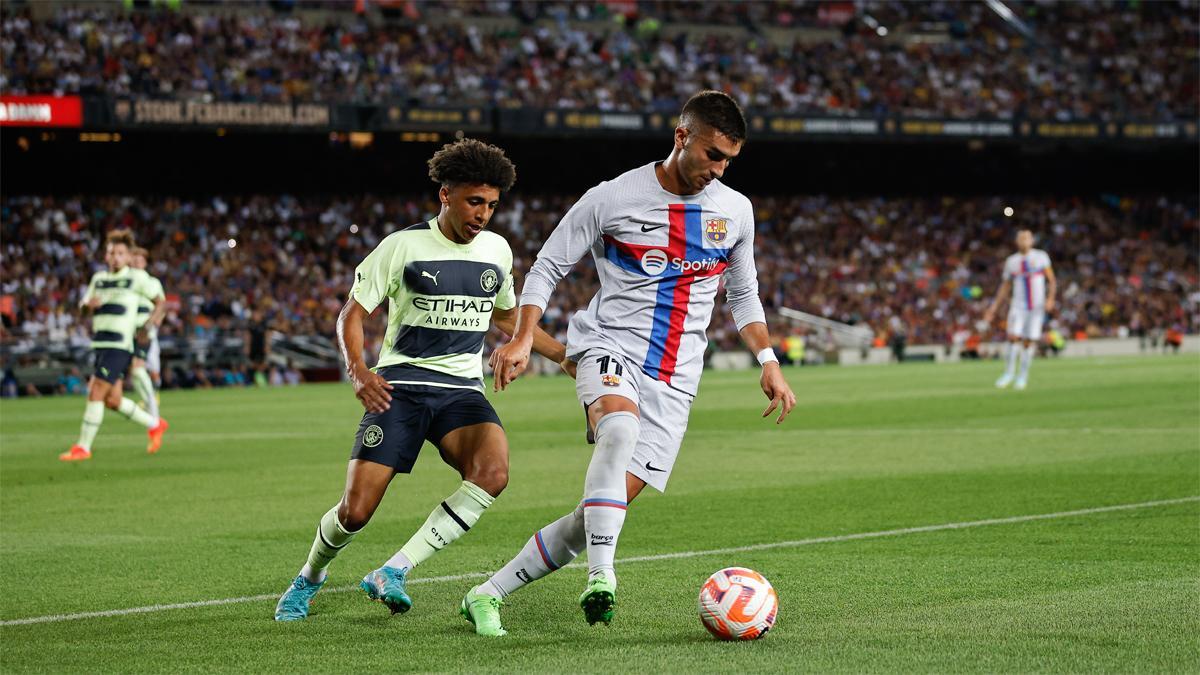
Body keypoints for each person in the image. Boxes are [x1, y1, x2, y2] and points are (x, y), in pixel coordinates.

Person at [475, 91, 797, 635]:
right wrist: (526, 337)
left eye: (728, 161)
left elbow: (743, 295)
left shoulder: (734, 211)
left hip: (676, 380)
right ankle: (603, 577)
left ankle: (487, 594)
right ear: (682, 138)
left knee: (594, 517)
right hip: (609, 345)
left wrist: (768, 359)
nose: (717, 170)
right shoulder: (613, 197)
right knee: (618, 427)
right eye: (712, 155)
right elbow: (548, 265)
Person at [274, 139, 569, 622]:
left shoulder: (497, 250)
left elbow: (508, 316)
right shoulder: (403, 246)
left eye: (492, 205)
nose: (484, 215)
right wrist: (358, 370)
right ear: (446, 195)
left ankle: (393, 569)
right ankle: (309, 577)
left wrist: (560, 355)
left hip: (460, 393)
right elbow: (352, 313)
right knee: (356, 511)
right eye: (475, 202)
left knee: (492, 473)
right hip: (400, 387)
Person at [60, 229, 169, 461]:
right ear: (106, 255)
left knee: (96, 390)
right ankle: (155, 424)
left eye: (120, 253)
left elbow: (161, 302)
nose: (116, 257)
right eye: (112, 253)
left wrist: (149, 326)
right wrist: (87, 306)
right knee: (113, 400)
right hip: (100, 343)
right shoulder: (98, 279)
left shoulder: (137, 278)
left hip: (120, 345)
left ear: (128, 257)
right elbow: (82, 308)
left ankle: (83, 447)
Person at [983, 229, 1057, 390]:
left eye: (1027, 238)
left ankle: (1022, 376)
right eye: (1021, 238)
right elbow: (1005, 286)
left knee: (1028, 342)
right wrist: (994, 307)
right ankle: (1008, 373)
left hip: (1036, 306)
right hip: (1018, 305)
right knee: (1013, 337)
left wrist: (1050, 298)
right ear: (1017, 242)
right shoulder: (1012, 261)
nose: (1024, 241)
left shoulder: (1041, 257)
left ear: (1032, 241)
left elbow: (1051, 280)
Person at [129, 247, 166, 427]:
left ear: (145, 262)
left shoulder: (152, 282)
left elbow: (161, 303)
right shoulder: (127, 280)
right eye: (134, 258)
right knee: (137, 368)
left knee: (149, 365)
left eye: (139, 259)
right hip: (129, 326)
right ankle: (149, 399)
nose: (136, 261)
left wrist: (154, 322)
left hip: (146, 326)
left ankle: (153, 397)